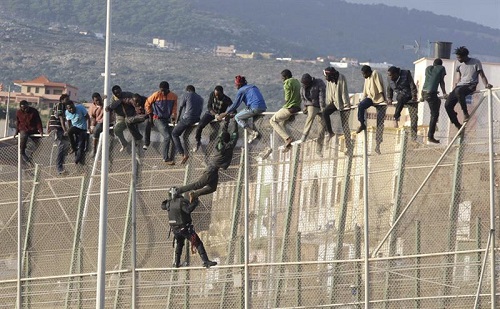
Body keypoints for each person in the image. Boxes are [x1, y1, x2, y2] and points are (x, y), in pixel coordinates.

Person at [176, 118, 238, 201]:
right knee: (198, 184)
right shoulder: (229, 146)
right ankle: (178, 190)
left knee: (212, 188)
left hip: (213, 169)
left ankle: (195, 194)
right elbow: (234, 134)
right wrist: (234, 121)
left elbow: (223, 133)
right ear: (228, 140)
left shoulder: (218, 143)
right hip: (212, 169)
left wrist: (226, 121)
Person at [161, 187, 218, 268]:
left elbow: (163, 206)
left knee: (179, 244)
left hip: (175, 230)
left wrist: (168, 200)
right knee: (198, 243)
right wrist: (195, 202)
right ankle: (205, 261)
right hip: (185, 229)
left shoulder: (168, 204)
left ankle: (176, 263)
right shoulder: (181, 202)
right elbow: (188, 210)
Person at [445, 46, 493, 129]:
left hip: (470, 85)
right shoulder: (459, 64)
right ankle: (457, 125)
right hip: (460, 86)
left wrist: (486, 84)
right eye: (457, 57)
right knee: (447, 105)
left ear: (465, 56)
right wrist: (453, 90)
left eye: (459, 57)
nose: (458, 59)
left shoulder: (476, 62)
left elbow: (482, 75)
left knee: (459, 91)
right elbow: (458, 79)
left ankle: (465, 113)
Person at [217, 75, 267, 144]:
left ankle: (251, 132)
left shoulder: (241, 90)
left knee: (237, 117)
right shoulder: (253, 87)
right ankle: (265, 145)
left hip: (254, 107)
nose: (235, 86)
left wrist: (225, 113)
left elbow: (235, 104)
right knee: (257, 128)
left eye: (236, 85)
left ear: (239, 84)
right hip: (262, 107)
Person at [144, 81, 178, 165]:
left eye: (164, 90)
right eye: (161, 90)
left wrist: (173, 117)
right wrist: (150, 115)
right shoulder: (156, 95)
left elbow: (174, 108)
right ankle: (165, 158)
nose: (162, 92)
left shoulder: (173, 96)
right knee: (167, 137)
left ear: (168, 89)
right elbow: (147, 103)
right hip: (157, 118)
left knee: (174, 136)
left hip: (168, 119)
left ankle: (172, 157)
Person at [356, 65, 387, 154]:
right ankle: (362, 124)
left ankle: (378, 145)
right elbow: (365, 92)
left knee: (380, 123)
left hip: (379, 99)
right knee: (361, 106)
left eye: (364, 74)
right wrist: (361, 101)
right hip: (371, 99)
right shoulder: (366, 78)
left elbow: (380, 87)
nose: (363, 76)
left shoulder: (375, 73)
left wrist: (385, 100)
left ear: (368, 72)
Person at [269, 69, 301, 153]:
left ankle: (288, 139)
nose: (282, 79)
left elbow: (287, 98)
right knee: (282, 124)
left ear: (286, 77)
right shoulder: (297, 81)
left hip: (290, 108)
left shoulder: (287, 83)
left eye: (282, 77)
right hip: (297, 107)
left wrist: (285, 104)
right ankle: (288, 143)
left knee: (272, 120)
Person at [193, 85, 232, 152]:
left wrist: (226, 114)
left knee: (215, 133)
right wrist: (215, 114)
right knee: (200, 126)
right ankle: (198, 141)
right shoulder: (212, 94)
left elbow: (233, 109)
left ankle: (214, 147)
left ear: (222, 93)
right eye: (215, 94)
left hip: (220, 116)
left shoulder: (227, 99)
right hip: (211, 113)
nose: (216, 96)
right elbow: (209, 106)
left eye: (218, 95)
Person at [106, 85, 144, 153]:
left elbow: (136, 100)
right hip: (120, 117)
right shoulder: (112, 100)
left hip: (131, 115)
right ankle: (124, 143)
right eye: (116, 93)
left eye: (119, 92)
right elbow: (110, 108)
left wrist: (138, 108)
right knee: (117, 129)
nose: (118, 94)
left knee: (132, 124)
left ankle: (137, 141)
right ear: (113, 94)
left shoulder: (128, 94)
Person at [322, 66, 352, 152]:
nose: (325, 77)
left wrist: (346, 104)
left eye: (326, 76)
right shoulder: (329, 81)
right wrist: (329, 102)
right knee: (325, 113)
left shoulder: (341, 78)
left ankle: (348, 146)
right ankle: (330, 132)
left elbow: (344, 91)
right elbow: (329, 92)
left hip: (342, 103)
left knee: (345, 125)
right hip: (334, 102)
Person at [172, 85, 203, 164]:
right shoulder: (200, 98)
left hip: (187, 118)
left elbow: (181, 107)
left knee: (174, 134)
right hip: (196, 120)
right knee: (185, 135)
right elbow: (200, 110)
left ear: (188, 90)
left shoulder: (186, 95)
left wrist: (178, 119)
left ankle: (182, 154)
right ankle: (187, 153)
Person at [386, 66, 419, 142]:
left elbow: (412, 85)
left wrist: (414, 96)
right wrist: (389, 98)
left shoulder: (406, 74)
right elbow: (389, 89)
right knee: (400, 97)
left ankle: (413, 138)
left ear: (396, 74)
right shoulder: (389, 79)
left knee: (414, 118)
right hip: (400, 98)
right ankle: (396, 117)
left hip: (409, 96)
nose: (390, 77)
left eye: (391, 75)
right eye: (389, 75)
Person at [299, 73, 327, 157]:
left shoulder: (319, 83)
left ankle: (319, 149)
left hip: (320, 105)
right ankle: (304, 135)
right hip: (311, 105)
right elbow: (303, 97)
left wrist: (322, 107)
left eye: (306, 83)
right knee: (310, 116)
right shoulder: (303, 87)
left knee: (322, 129)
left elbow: (322, 95)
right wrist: (305, 106)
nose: (305, 85)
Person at [421, 58, 447, 144]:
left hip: (424, 92)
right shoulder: (441, 68)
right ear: (441, 64)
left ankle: (434, 122)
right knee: (435, 114)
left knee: (437, 103)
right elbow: (441, 81)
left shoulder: (428, 68)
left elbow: (429, 81)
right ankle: (430, 136)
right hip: (431, 94)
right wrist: (444, 93)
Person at [15, 100, 43, 165]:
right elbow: (17, 122)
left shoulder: (34, 111)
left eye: (26, 107)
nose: (25, 109)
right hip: (23, 129)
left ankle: (31, 155)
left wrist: (41, 131)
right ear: (21, 108)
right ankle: (22, 152)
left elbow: (38, 121)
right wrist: (16, 132)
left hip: (33, 129)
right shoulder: (18, 112)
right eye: (24, 108)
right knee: (23, 136)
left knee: (38, 142)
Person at [47, 94, 69, 174]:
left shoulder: (64, 108)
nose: (68, 101)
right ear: (62, 100)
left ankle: (62, 162)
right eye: (67, 99)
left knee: (67, 143)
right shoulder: (60, 105)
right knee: (61, 145)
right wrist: (65, 130)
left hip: (59, 129)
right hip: (56, 129)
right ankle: (59, 167)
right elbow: (60, 118)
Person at [88, 92, 114, 157]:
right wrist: (92, 126)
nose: (98, 101)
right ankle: (94, 149)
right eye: (96, 100)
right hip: (99, 123)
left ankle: (109, 154)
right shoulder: (92, 107)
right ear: (93, 101)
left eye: (99, 99)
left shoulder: (105, 103)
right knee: (96, 130)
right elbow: (93, 118)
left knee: (110, 140)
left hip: (109, 123)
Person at [64, 100, 90, 165]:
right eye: (69, 108)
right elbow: (69, 121)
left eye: (72, 107)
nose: (71, 109)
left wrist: (88, 128)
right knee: (69, 131)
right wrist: (69, 129)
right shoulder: (67, 112)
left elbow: (88, 117)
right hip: (75, 128)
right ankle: (73, 147)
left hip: (83, 129)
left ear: (74, 105)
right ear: (67, 109)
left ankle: (77, 160)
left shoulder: (80, 108)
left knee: (81, 145)